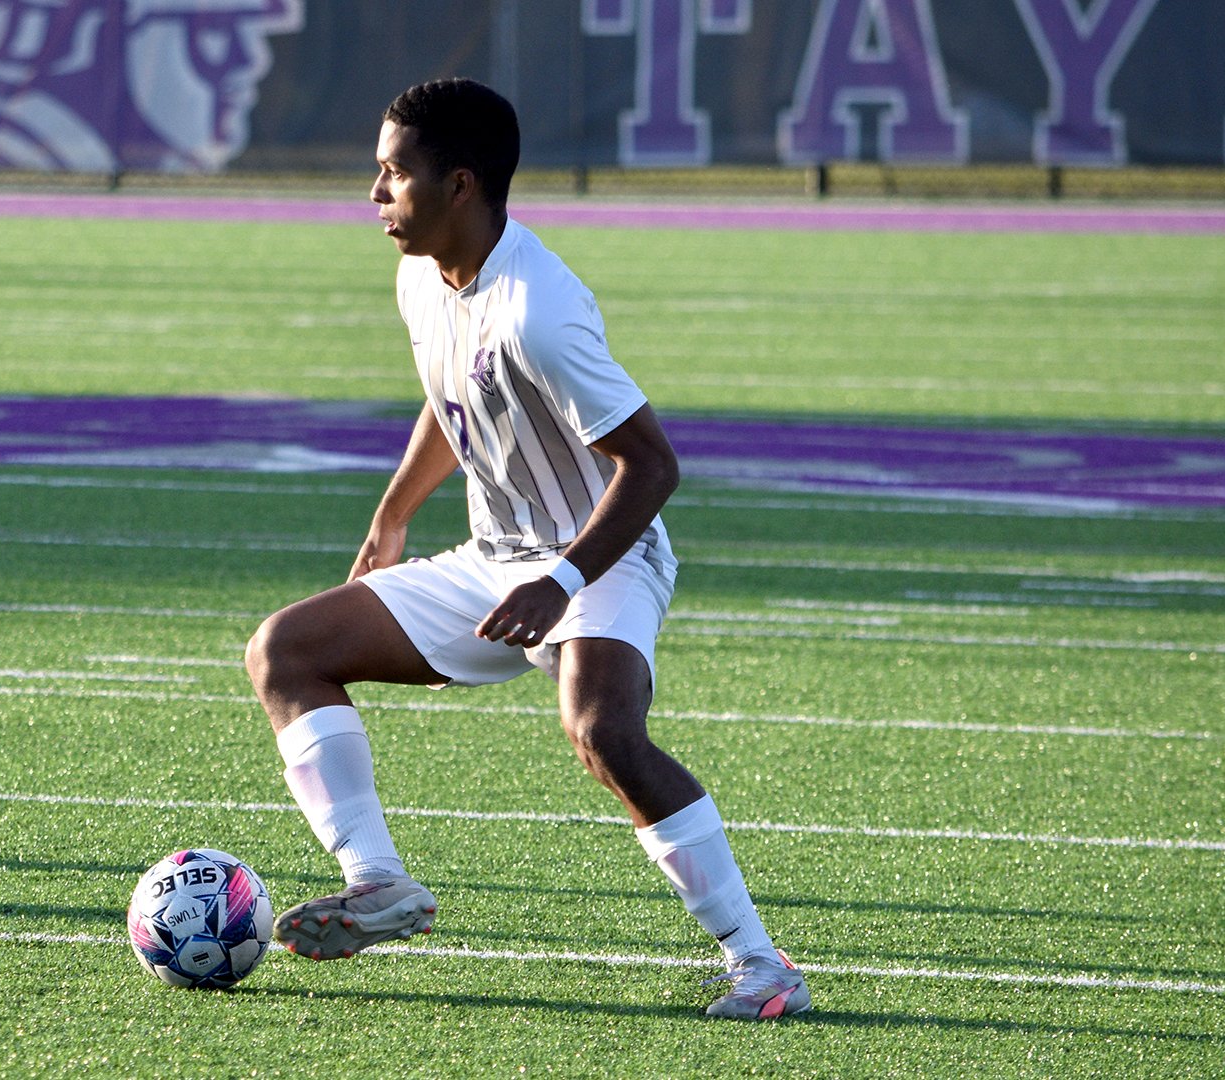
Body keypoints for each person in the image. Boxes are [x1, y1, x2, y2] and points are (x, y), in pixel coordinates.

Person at [243, 78, 809, 1020]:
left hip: (603, 558)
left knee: (602, 733)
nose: (375, 196)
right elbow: (453, 393)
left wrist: (562, 581)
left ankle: (760, 963)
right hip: (496, 557)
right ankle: (378, 882)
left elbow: (653, 466)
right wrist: (392, 515)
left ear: (460, 184)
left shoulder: (539, 308)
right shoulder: (422, 272)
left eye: (394, 176)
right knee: (285, 651)